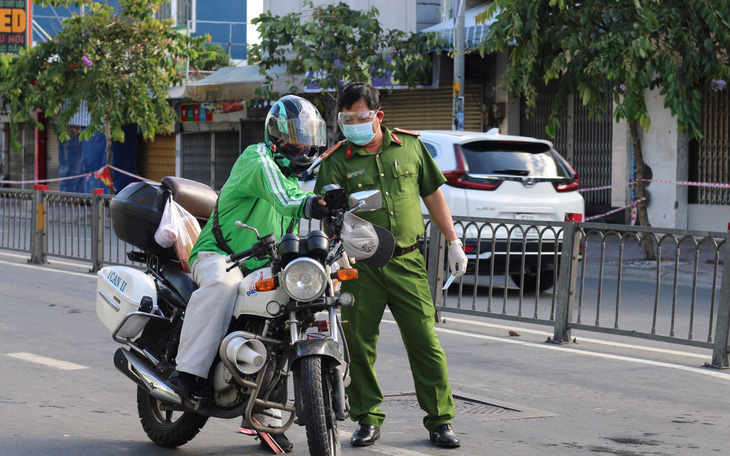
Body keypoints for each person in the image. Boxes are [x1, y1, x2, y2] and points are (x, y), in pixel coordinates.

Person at [168, 95, 329, 453]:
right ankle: (188, 374)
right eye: (296, 134)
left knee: (292, 308)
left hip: (259, 264)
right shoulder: (259, 159)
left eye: (308, 135)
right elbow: (285, 197)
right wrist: (311, 204)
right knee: (223, 286)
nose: (304, 143)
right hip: (220, 255)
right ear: (276, 133)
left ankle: (266, 416)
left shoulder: (294, 178)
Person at [313, 83, 468, 449]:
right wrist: (338, 240)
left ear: (379, 116)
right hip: (361, 266)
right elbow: (326, 213)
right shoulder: (336, 159)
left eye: (361, 117)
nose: (354, 124)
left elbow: (433, 195)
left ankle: (440, 420)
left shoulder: (411, 146)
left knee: (424, 341)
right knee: (358, 344)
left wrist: (454, 241)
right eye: (347, 118)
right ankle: (366, 418)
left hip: (407, 261)